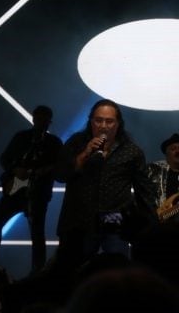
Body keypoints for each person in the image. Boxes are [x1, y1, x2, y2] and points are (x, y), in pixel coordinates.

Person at [53, 99, 157, 272]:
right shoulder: (76, 143)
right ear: (91, 121)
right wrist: (85, 154)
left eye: (109, 121)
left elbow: (144, 191)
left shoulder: (131, 151)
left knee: (119, 273)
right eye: (98, 120)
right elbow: (60, 175)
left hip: (114, 221)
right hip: (79, 221)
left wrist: (151, 226)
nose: (103, 126)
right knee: (70, 274)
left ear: (118, 124)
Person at [0, 105, 63, 273]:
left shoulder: (54, 143)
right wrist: (15, 170)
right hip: (16, 191)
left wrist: (41, 172)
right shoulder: (22, 138)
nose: (40, 122)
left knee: (37, 233)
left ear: (49, 122)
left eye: (44, 119)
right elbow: (5, 158)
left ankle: (37, 271)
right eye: (38, 118)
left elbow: (59, 166)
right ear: (34, 119)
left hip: (38, 193)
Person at [146, 133, 179, 227]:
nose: (177, 151)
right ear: (166, 154)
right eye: (173, 149)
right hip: (157, 229)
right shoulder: (153, 171)